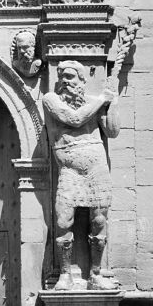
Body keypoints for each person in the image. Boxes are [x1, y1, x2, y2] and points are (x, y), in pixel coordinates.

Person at [42, 60, 120, 290]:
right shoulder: (51, 100)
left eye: (70, 77)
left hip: (97, 167)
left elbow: (112, 131)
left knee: (99, 220)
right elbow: (73, 119)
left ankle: (95, 274)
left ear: (82, 80)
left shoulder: (93, 103)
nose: (65, 81)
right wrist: (102, 99)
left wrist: (113, 101)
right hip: (70, 169)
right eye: (62, 77)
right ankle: (65, 274)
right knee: (63, 220)